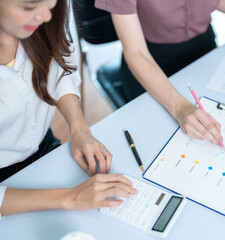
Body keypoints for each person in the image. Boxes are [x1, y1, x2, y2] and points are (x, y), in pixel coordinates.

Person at [95, 0, 225, 146]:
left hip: (204, 51)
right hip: (151, 61)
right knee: (165, 140)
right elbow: (137, 53)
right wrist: (179, 107)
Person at [0, 0, 137, 217]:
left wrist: (79, 128)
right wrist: (69, 198)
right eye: (29, 6)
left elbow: (57, 62)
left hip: (42, 148)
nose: (45, 16)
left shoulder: (44, 15)